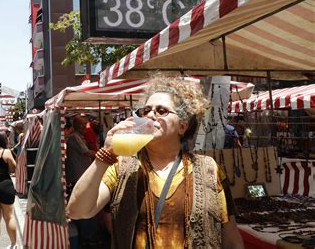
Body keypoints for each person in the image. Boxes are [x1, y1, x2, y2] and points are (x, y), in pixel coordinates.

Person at [67, 76, 243, 248]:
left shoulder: (209, 170)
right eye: (146, 110)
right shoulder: (122, 166)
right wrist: (104, 155)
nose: (150, 115)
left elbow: (231, 239)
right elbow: (77, 210)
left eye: (161, 111)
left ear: (182, 126)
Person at [65, 115, 98, 246]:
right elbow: (86, 152)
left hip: (82, 175)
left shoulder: (78, 137)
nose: (85, 127)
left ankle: (86, 234)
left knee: (85, 205)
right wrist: (103, 153)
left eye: (86, 125)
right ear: (76, 125)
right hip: (80, 176)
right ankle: (86, 236)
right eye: (83, 125)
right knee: (85, 206)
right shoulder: (74, 138)